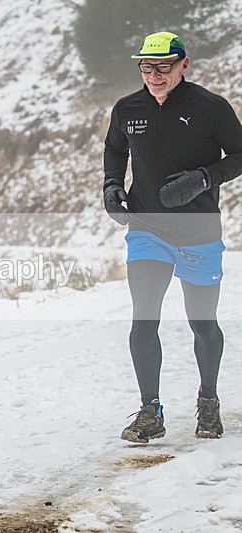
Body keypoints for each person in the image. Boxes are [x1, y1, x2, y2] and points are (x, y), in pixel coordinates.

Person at [103, 31, 242, 443]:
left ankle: (209, 401)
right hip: (148, 229)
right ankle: (150, 412)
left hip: (198, 230)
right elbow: (115, 149)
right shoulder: (128, 108)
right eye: (147, 66)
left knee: (202, 323)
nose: (155, 75)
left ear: (184, 64)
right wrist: (112, 185)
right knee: (144, 318)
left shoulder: (210, 108)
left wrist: (204, 178)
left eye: (164, 66)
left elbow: (239, 155)